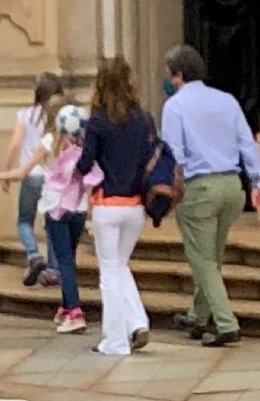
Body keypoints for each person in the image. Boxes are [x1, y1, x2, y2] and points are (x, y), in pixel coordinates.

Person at [160, 44, 260, 348]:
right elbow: (247, 143)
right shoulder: (227, 101)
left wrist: (170, 192)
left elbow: (173, 153)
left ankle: (225, 322)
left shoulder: (175, 106)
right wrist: (259, 182)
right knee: (212, 256)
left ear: (178, 75)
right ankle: (197, 314)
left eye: (169, 74)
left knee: (201, 259)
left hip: (199, 188)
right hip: (232, 186)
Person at [79, 58, 156, 357]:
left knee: (108, 274)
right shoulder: (143, 119)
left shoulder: (97, 121)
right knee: (119, 266)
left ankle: (115, 341)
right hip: (136, 206)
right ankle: (136, 321)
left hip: (107, 204)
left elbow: (85, 163)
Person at [0, 73, 64, 285]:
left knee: (24, 221)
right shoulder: (59, 118)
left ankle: (33, 255)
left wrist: (7, 173)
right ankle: (53, 269)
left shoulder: (26, 115)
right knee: (52, 223)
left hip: (30, 175)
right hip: (53, 178)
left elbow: (15, 144)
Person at [35, 105, 93, 335]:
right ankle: (67, 306)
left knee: (63, 261)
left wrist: (2, 176)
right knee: (68, 259)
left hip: (56, 209)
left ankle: (76, 311)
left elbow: (25, 170)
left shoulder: (50, 143)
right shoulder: (83, 146)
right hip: (78, 209)